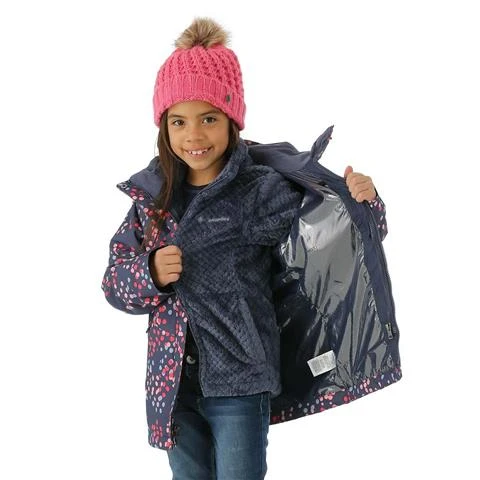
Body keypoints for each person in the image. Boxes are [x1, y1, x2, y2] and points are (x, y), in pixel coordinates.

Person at [101, 17, 382, 480]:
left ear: (232, 120)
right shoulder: (153, 202)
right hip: (172, 385)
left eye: (209, 118)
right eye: (179, 122)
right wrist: (149, 272)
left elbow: (339, 234)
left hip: (241, 379)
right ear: (164, 127)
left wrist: (364, 202)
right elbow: (114, 283)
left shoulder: (258, 191)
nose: (194, 136)